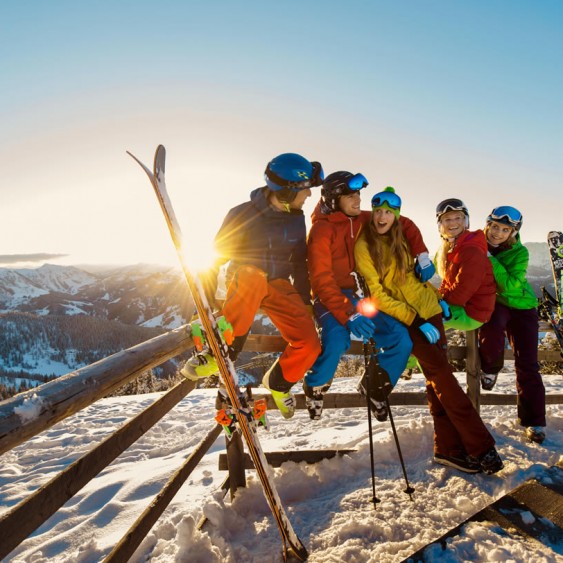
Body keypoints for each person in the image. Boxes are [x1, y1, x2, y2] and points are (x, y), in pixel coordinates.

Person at [355, 187, 504, 475]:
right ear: (372, 212)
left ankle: (447, 450)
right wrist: (414, 320)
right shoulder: (365, 245)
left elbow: (409, 229)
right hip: (412, 319)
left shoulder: (402, 232)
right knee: (443, 378)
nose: (383, 217)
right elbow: (377, 294)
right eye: (379, 211)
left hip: (430, 310)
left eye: (390, 212)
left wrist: (435, 296)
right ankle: (481, 447)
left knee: (437, 382)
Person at [182, 152, 323, 419]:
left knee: (310, 344)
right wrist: (206, 305)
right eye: (304, 190)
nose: (308, 196)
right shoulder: (241, 215)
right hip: (246, 279)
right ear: (286, 190)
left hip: (279, 285)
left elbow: (298, 262)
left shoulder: (296, 216)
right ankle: (220, 352)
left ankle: (280, 382)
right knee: (252, 275)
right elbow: (212, 261)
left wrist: (304, 301)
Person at [304, 178, 432, 420]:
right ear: (334, 200)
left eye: (358, 196)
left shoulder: (360, 218)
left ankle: (374, 386)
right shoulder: (322, 230)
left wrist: (422, 254)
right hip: (331, 296)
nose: (358, 200)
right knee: (337, 340)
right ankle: (315, 385)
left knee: (400, 338)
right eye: (351, 196)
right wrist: (348, 314)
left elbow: (404, 223)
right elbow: (321, 280)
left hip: (362, 296)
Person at [478, 206, 547, 444]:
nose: (497, 233)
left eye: (505, 229)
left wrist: (489, 260)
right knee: (492, 325)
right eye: (494, 226)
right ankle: (489, 368)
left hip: (522, 307)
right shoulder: (476, 243)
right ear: (487, 224)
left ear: (513, 233)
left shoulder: (520, 252)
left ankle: (534, 421)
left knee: (527, 364)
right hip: (495, 303)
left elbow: (509, 284)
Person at [435, 198, 496, 330]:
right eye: (447, 219)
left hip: (472, 313)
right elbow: (447, 282)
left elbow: (463, 290)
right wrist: (435, 297)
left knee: (419, 323)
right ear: (441, 225)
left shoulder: (471, 250)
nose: (453, 223)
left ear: (465, 221)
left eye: (458, 218)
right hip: (463, 307)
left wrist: (439, 302)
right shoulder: (455, 247)